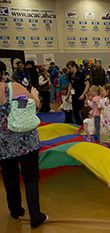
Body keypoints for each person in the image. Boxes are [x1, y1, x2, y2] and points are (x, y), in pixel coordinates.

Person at [0, 61, 48, 228]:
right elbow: (36, 105)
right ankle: (36, 215)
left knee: (9, 178)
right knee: (31, 178)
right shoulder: (13, 87)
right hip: (26, 141)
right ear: (3, 73)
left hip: (3, 145)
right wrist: (34, 94)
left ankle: (15, 210)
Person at [66, 60, 90, 125]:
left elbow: (87, 84)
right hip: (74, 95)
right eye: (68, 68)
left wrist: (83, 94)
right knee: (75, 111)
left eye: (70, 68)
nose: (69, 70)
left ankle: (86, 125)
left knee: (83, 111)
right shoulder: (70, 75)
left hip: (81, 95)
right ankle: (78, 124)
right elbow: (70, 85)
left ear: (74, 67)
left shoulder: (81, 74)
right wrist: (68, 95)